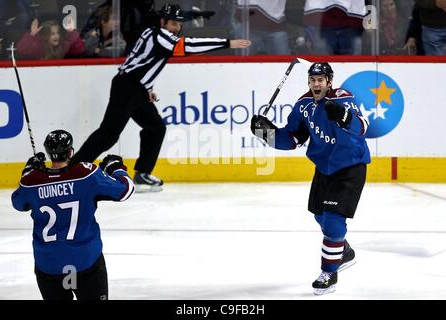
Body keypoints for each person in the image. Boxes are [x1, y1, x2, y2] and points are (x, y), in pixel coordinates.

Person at [71, 3, 251, 192]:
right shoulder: (160, 35)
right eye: (173, 23)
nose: (177, 27)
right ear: (162, 21)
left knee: (155, 128)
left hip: (137, 88)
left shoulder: (153, 33)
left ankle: (142, 175)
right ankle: (72, 171)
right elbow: (186, 46)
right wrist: (227, 43)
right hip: (128, 87)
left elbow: (142, 61)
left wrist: (148, 87)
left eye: (179, 24)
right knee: (108, 134)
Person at [250, 62, 370, 295]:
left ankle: (329, 274)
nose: (317, 84)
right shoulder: (303, 105)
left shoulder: (343, 99)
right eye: (313, 80)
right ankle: (343, 250)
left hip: (350, 166)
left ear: (329, 82)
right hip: (324, 168)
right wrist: (266, 132)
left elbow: (363, 126)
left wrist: (344, 116)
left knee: (334, 221)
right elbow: (292, 139)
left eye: (321, 80)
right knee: (320, 216)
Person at [11, 130, 135, 300]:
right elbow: (126, 190)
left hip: (48, 265)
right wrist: (116, 167)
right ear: (70, 151)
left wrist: (28, 172)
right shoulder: (85, 174)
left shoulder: (32, 180)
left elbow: (18, 203)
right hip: (85, 261)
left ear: (48, 152)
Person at [17, 17, 84, 60]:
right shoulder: (38, 46)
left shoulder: (63, 45)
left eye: (57, 33)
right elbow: (21, 50)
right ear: (45, 36)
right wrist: (31, 35)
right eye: (52, 34)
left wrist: (71, 32)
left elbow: (79, 50)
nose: (56, 36)